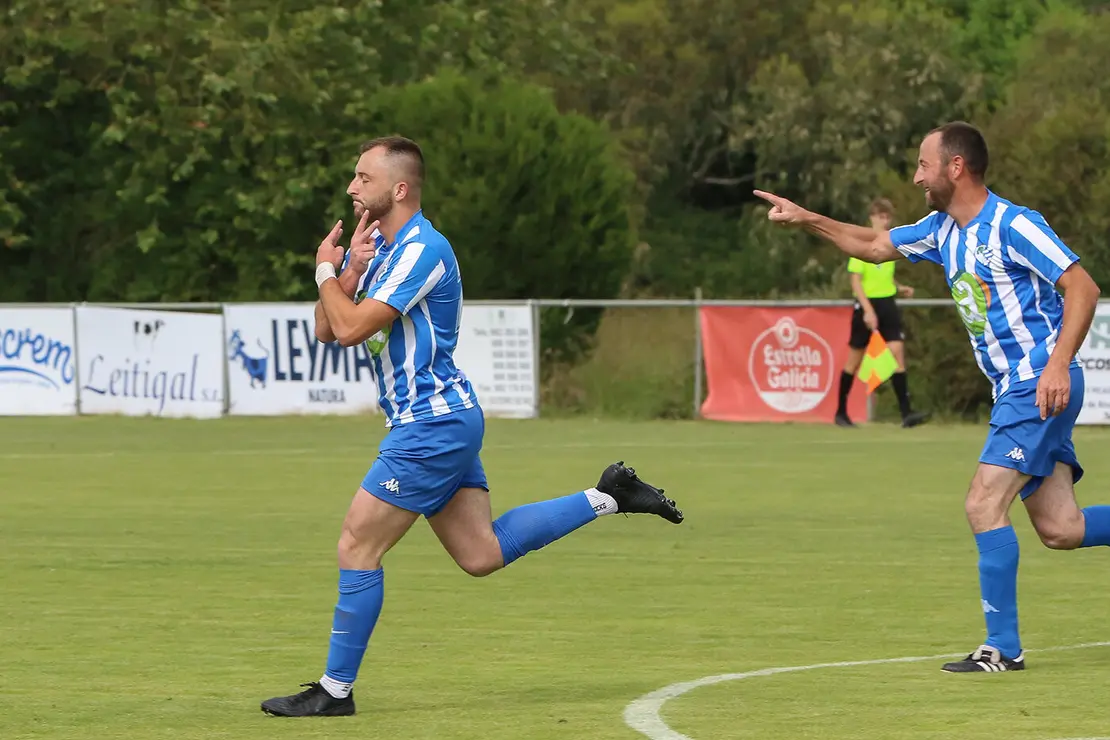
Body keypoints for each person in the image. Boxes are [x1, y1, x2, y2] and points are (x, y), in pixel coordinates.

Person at [260, 136, 684, 717]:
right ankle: (608, 495)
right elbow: (328, 331)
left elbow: (353, 329)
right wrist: (348, 270)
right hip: (442, 422)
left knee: (357, 544)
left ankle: (334, 692)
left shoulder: (421, 250)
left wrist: (325, 272)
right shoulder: (383, 250)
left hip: (430, 426)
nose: (352, 186)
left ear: (400, 188)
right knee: (480, 553)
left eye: (363, 177)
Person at [754, 121, 1109, 673]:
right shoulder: (941, 230)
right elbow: (872, 245)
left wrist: (1058, 364)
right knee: (1061, 529)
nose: (917, 176)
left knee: (982, 503)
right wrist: (807, 218)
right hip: (1020, 387)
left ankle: (1003, 649)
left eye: (924, 165)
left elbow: (1082, 287)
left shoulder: (1014, 225)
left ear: (956, 167)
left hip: (1036, 378)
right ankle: (1005, 644)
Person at [836, 197, 929, 428]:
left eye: (887, 217)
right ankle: (840, 412)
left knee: (897, 352)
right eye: (881, 217)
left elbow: (883, 275)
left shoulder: (888, 243)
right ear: (872, 217)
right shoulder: (861, 242)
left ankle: (906, 414)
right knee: (854, 360)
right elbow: (856, 282)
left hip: (887, 303)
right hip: (867, 306)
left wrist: (899, 287)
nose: (884, 221)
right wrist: (867, 310)